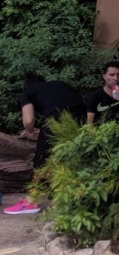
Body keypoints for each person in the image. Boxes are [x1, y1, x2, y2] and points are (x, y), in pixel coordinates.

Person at [3, 75, 85, 216]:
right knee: (68, 158)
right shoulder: (60, 84)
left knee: (41, 160)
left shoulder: (29, 91)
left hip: (57, 117)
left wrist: (29, 132)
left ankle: (32, 201)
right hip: (81, 118)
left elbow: (28, 121)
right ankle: (69, 199)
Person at [83, 61, 119, 125]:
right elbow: (89, 124)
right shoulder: (94, 96)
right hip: (102, 130)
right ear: (104, 76)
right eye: (112, 75)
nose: (116, 78)